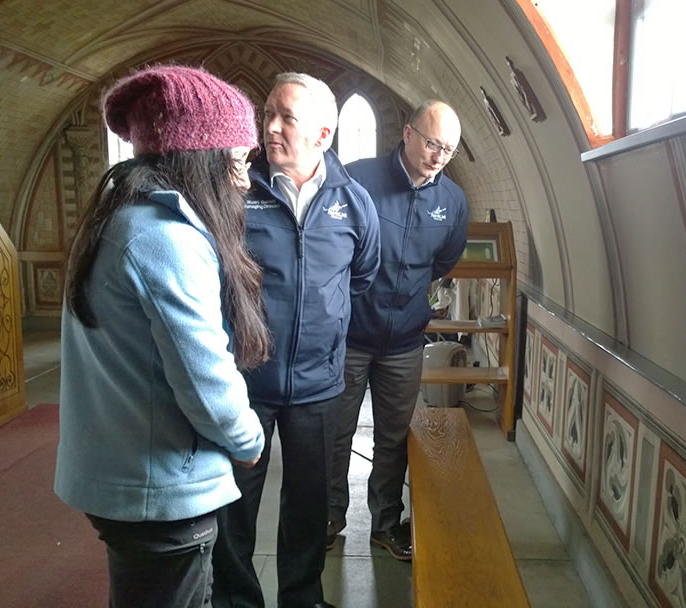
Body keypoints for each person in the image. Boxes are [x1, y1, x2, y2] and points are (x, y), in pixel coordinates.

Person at [55, 65, 270, 608]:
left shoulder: (123, 216)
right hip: (160, 490)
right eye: (239, 161)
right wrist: (248, 440)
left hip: (128, 473)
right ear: (202, 159)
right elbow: (205, 380)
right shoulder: (165, 238)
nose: (246, 180)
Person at [212, 73, 381, 608]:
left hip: (317, 382)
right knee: (235, 504)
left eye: (287, 117)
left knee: (308, 506)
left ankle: (301, 599)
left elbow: (361, 276)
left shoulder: (354, 203)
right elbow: (213, 274)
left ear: (324, 135)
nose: (272, 127)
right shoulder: (238, 196)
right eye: (268, 115)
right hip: (248, 380)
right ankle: (238, 601)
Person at [328, 100, 470, 561]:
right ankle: (329, 520)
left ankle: (386, 524)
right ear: (407, 134)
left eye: (447, 149)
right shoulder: (358, 179)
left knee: (392, 438)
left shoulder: (451, 202)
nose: (438, 155)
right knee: (335, 433)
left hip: (405, 342)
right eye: (431, 142)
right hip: (350, 336)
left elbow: (443, 261)